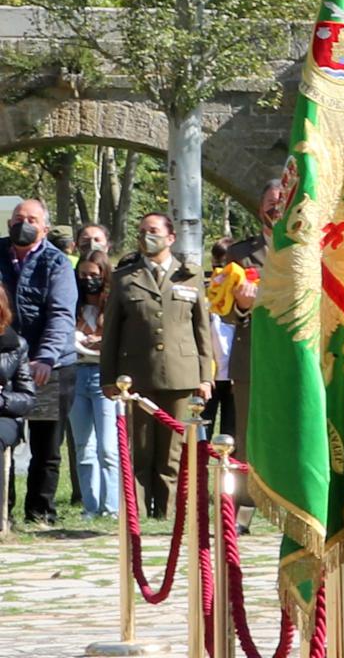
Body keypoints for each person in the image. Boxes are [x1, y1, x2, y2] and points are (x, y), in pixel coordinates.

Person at [102, 210, 212, 521]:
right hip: (136, 378)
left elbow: (202, 331)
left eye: (153, 231)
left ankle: (169, 515)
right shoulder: (125, 278)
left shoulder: (189, 276)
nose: (146, 237)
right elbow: (111, 333)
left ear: (170, 237)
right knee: (140, 451)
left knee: (172, 454)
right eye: (141, 231)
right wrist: (108, 377)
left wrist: (205, 376)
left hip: (181, 376)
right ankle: (136, 515)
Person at [7, 199, 79, 525]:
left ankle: (40, 514)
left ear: (44, 228)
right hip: (4, 365)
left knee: (46, 447)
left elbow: (61, 314)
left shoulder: (57, 263)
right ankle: (1, 511)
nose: (24, 223)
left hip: (49, 366)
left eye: (32, 219)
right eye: (18, 218)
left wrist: (45, 358)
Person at [66, 221, 116, 514]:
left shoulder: (111, 305)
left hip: (104, 377)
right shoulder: (73, 304)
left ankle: (112, 508)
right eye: (83, 275)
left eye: (94, 275)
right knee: (84, 448)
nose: (88, 280)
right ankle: (90, 507)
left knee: (108, 448)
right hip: (76, 374)